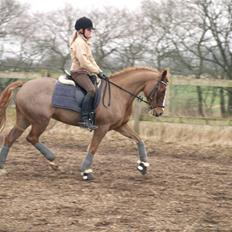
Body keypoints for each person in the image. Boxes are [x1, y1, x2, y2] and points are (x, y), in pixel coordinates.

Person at [69, 16, 107, 130]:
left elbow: (92, 60)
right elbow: (84, 62)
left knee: (98, 89)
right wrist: (97, 72)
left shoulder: (86, 43)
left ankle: (92, 115)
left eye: (91, 30)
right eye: (89, 29)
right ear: (81, 30)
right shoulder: (79, 43)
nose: (91, 32)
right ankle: (84, 119)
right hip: (78, 73)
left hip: (87, 73)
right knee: (91, 90)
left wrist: (100, 71)